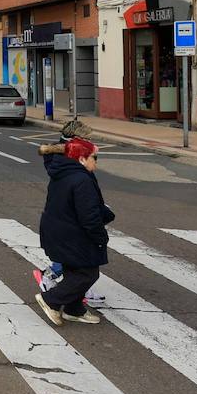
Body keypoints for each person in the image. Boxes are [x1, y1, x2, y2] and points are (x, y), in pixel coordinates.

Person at [35, 136, 114, 326]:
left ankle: (74, 309)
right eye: (94, 157)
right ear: (82, 159)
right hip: (72, 234)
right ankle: (51, 300)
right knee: (88, 274)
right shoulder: (81, 179)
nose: (96, 162)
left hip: (60, 231)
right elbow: (89, 216)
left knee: (74, 270)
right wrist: (101, 237)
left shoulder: (65, 172)